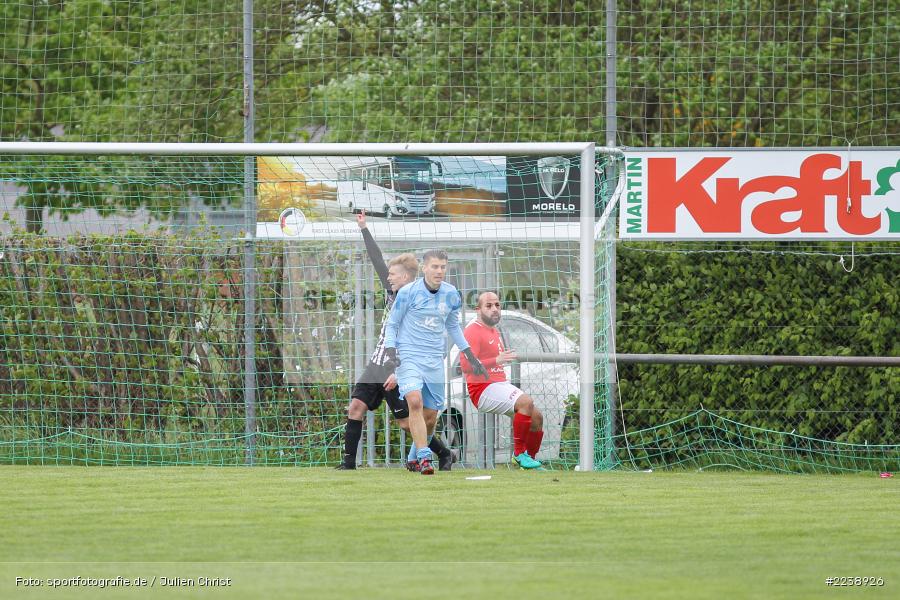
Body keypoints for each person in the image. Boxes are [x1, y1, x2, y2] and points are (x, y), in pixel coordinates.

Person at [336, 211, 454, 470]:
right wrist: (364, 229)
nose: (388, 277)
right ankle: (348, 465)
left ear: (408, 277)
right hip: (377, 365)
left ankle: (444, 452)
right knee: (355, 407)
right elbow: (377, 261)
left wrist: (399, 371)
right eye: (388, 275)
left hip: (396, 368)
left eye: (394, 274)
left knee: (405, 422)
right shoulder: (393, 295)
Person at [384, 249, 487, 475]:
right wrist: (392, 353)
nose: (439, 271)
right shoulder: (408, 293)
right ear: (424, 268)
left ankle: (412, 457)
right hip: (409, 356)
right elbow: (392, 324)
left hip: (434, 360)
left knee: (430, 417)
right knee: (415, 401)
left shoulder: (451, 295)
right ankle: (424, 458)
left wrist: (469, 355)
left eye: (442, 267)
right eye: (434, 266)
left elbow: (453, 327)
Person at [459, 291, 545, 470]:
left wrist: (498, 360)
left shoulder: (494, 330)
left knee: (537, 417)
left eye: (497, 305)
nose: (494, 309)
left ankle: (529, 463)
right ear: (478, 310)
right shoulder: (473, 331)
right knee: (526, 402)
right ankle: (519, 455)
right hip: (482, 389)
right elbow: (466, 366)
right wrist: (496, 360)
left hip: (498, 385)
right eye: (489, 306)